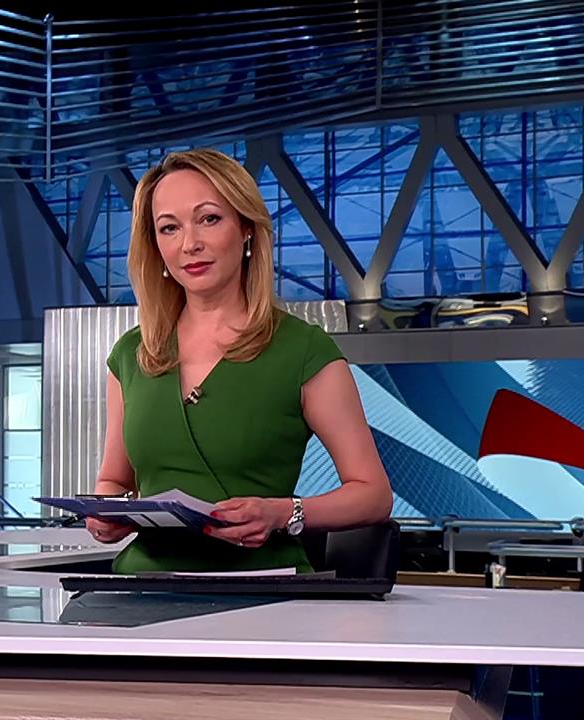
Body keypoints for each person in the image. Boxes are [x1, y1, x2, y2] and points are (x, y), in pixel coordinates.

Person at [86, 148, 393, 574]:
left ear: (247, 229)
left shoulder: (303, 350)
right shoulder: (131, 354)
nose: (190, 244)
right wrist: (105, 514)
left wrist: (281, 512)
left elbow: (373, 494)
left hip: (263, 585)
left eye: (209, 219)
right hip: (143, 583)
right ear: (155, 246)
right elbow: (114, 481)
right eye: (169, 228)